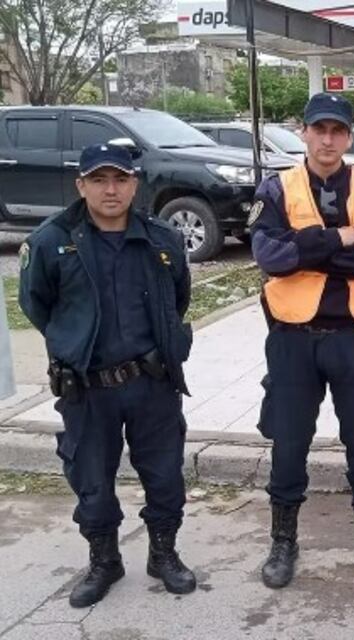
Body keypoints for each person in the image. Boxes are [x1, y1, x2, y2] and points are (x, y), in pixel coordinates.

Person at [18, 144, 196, 607]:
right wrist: (73, 343)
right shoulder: (52, 241)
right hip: (88, 388)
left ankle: (163, 553)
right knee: (92, 478)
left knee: (163, 475)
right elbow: (36, 305)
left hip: (151, 382)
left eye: (120, 179)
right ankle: (104, 560)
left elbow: (178, 298)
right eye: (99, 180)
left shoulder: (162, 239)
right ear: (81, 186)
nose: (111, 189)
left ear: (135, 183)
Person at [250, 93, 354, 589]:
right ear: (305, 133)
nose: (328, 139)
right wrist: (338, 240)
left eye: (338, 130)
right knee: (289, 445)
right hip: (294, 341)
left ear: (349, 137)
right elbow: (268, 255)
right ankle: (283, 541)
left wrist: (303, 249)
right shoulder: (276, 188)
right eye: (320, 130)